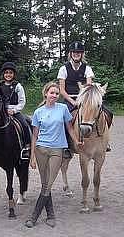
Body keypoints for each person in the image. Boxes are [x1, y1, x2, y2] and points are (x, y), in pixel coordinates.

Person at [25, 81, 83, 228]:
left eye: (57, 93)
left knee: (48, 184)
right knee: (46, 184)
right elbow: (34, 136)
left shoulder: (63, 109)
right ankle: (50, 215)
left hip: (57, 150)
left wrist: (76, 141)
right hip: (40, 150)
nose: (55, 96)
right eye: (52, 93)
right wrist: (32, 156)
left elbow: (70, 129)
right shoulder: (38, 112)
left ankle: (34, 217)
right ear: (46, 94)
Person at [57, 41, 113, 153]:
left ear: (82, 54)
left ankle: (104, 140)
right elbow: (62, 90)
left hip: (85, 98)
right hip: (70, 99)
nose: (76, 54)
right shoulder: (64, 69)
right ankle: (65, 145)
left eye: (78, 52)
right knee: (61, 119)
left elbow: (88, 86)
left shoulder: (87, 68)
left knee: (108, 113)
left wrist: (84, 99)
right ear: (70, 54)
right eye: (74, 52)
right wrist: (73, 102)